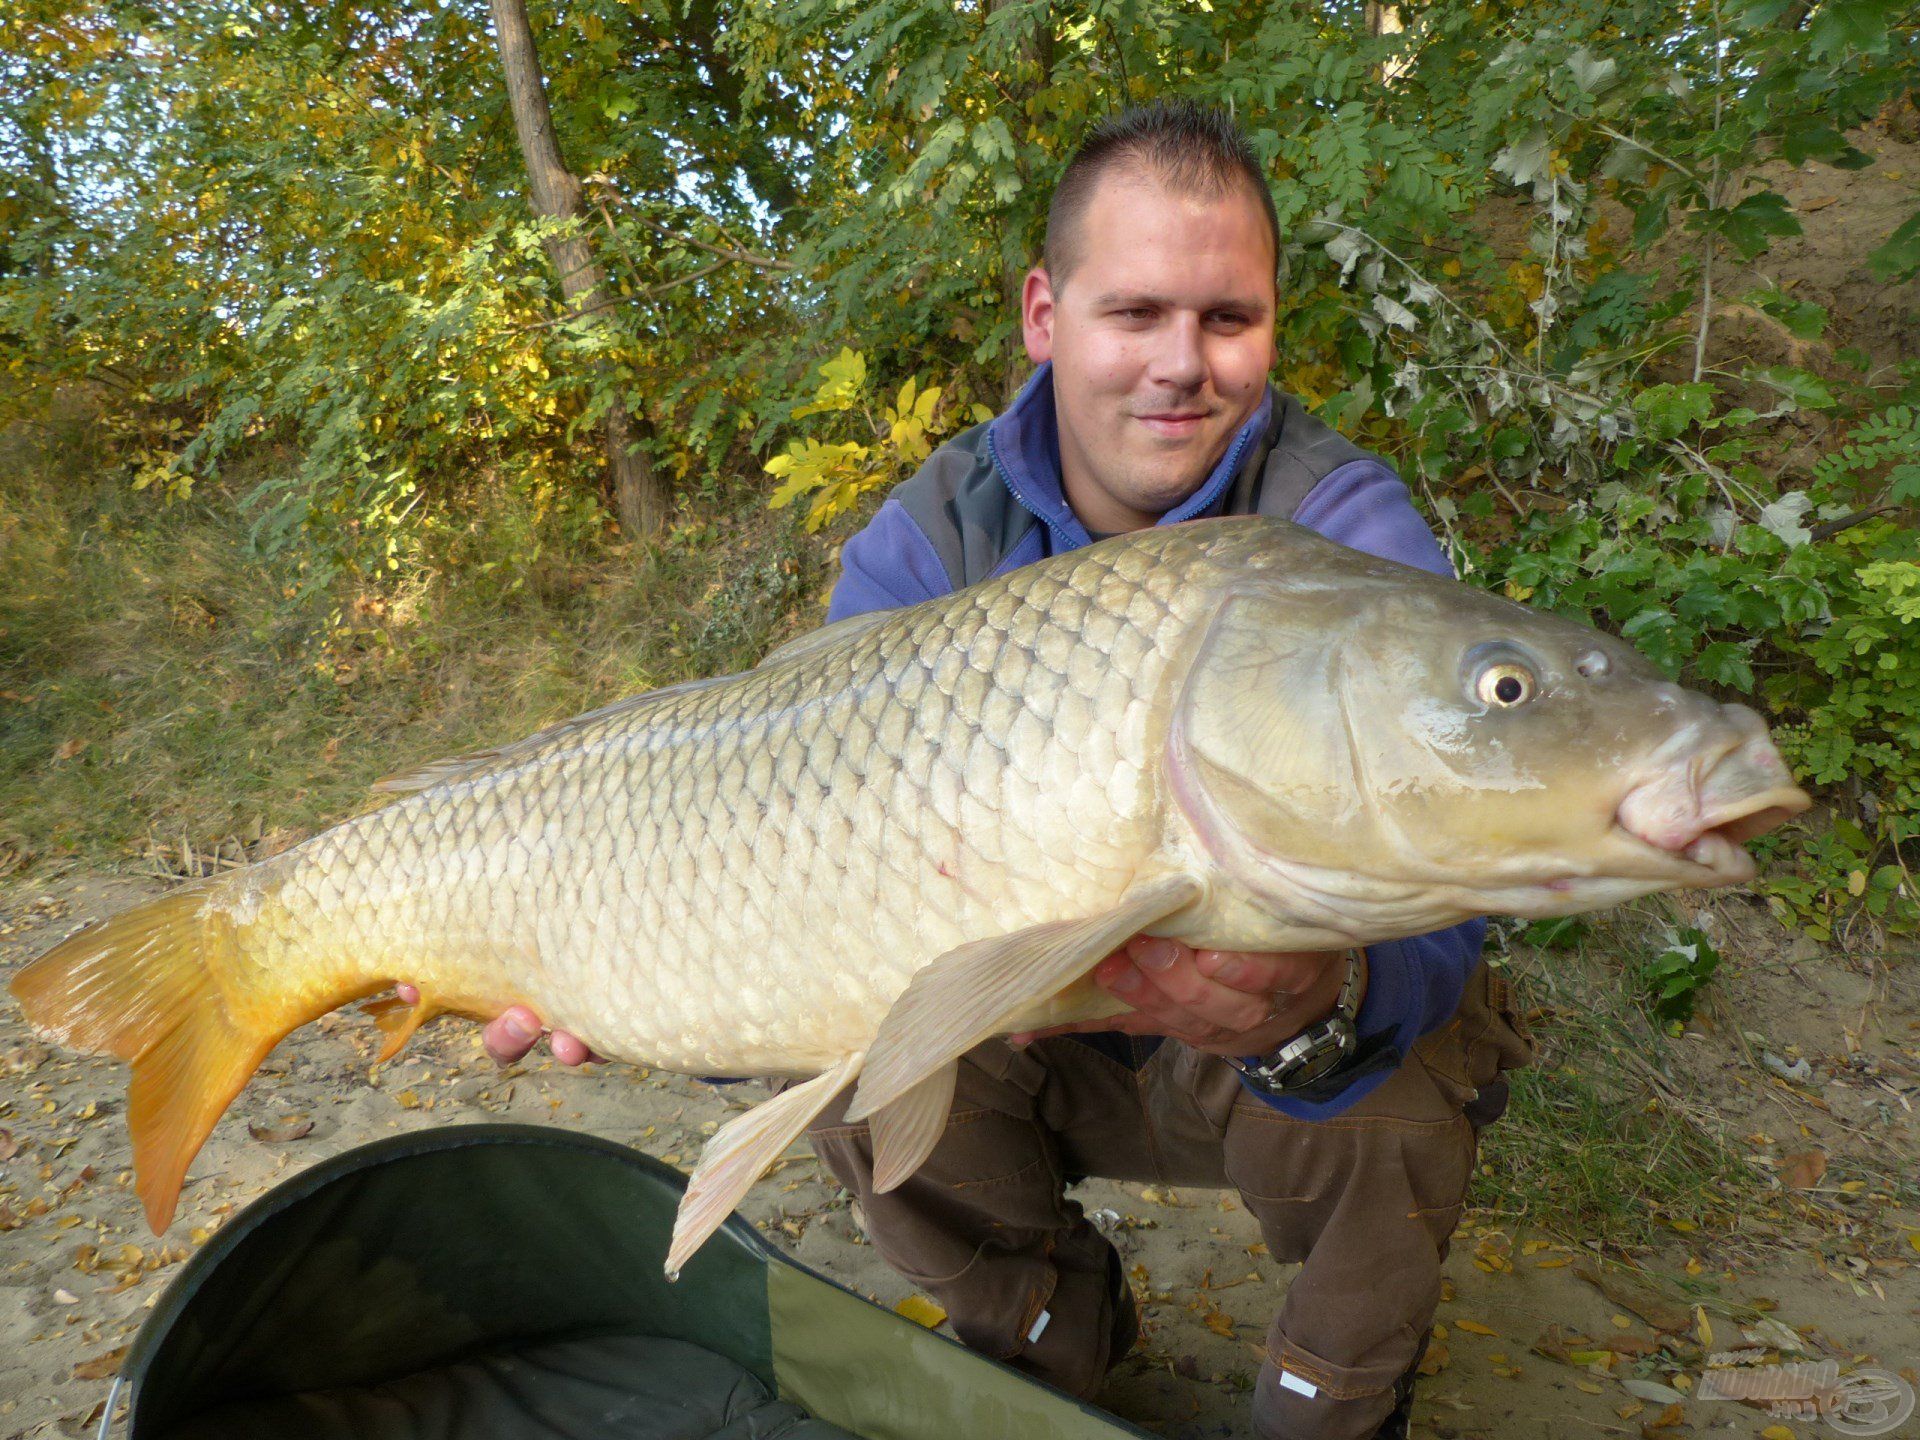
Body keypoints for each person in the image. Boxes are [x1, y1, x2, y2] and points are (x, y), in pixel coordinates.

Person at [424, 99, 1533, 1440]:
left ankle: (1331, 1406)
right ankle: (1047, 1335)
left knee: (1398, 1060)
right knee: (849, 1060)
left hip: (1247, 1045)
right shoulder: (933, 533)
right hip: (1030, 1030)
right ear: (1043, 316)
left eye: (1229, 318)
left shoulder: (1338, 532)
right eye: (1135, 314)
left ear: (1272, 327)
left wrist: (1322, 994)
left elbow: (1460, 878)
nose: (1183, 364)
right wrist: (626, 977)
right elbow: (786, 869)